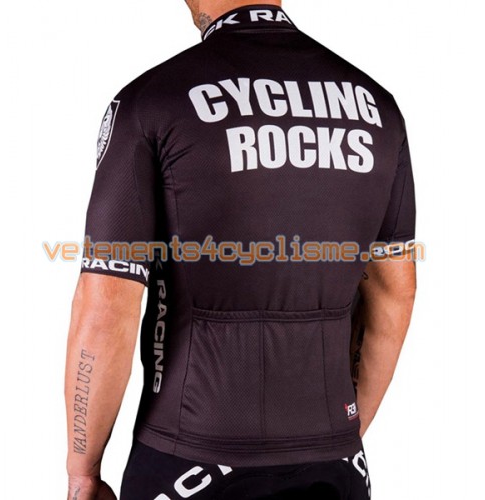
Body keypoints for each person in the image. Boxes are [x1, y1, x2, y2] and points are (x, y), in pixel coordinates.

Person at [64, 1, 417, 498]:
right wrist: (343, 433)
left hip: (186, 459)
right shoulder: (378, 108)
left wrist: (83, 469)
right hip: (334, 463)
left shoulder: (152, 101)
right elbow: (396, 291)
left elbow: (106, 304)